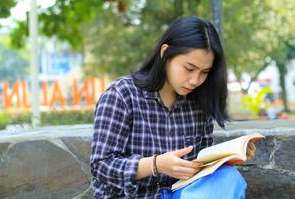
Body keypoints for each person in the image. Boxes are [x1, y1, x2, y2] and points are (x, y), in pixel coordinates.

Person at [90, 16, 256, 199]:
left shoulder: (199, 102)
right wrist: (156, 164)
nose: (195, 80)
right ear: (165, 53)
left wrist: (227, 157)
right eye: (189, 68)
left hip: (184, 193)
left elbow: (202, 169)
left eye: (204, 73)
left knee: (229, 178)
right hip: (136, 196)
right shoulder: (122, 94)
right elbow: (101, 166)